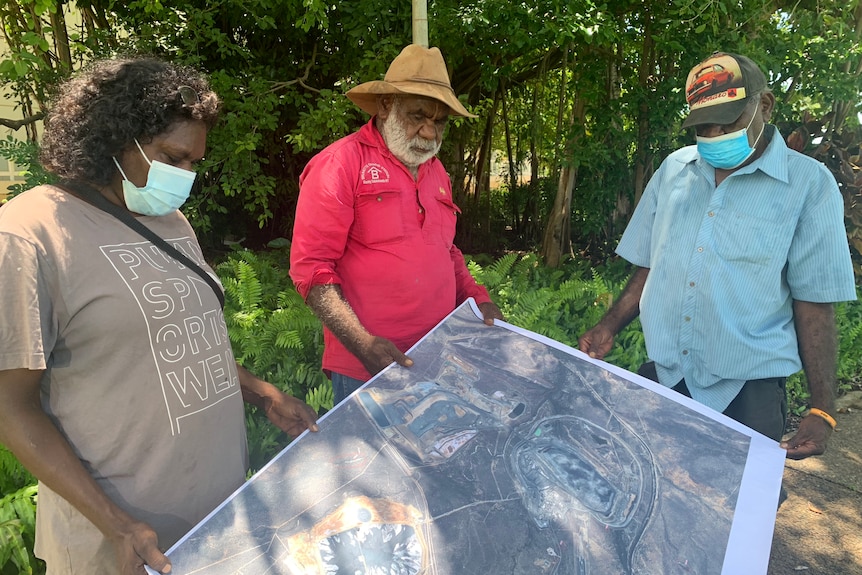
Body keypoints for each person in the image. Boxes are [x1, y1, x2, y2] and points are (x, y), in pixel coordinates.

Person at [0, 56, 319, 575]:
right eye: (174, 157)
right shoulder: (28, 234)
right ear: (115, 140)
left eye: (193, 163)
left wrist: (259, 391)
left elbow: (171, 341)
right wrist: (116, 524)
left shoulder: (168, 219)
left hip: (214, 522)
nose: (185, 176)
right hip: (122, 545)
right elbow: (10, 405)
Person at [578, 52, 856, 460]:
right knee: (648, 498)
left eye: (727, 122)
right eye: (704, 125)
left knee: (736, 515)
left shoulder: (809, 186)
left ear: (764, 105)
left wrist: (822, 407)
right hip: (666, 376)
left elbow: (814, 302)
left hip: (748, 396)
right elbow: (652, 265)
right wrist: (609, 325)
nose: (714, 134)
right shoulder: (674, 170)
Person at [290, 44, 504, 405]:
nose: (429, 132)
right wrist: (363, 344)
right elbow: (311, 270)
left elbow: (446, 252)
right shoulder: (340, 164)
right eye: (419, 115)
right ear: (387, 105)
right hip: (367, 364)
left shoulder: (437, 172)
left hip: (438, 354)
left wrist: (478, 300)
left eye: (439, 122)